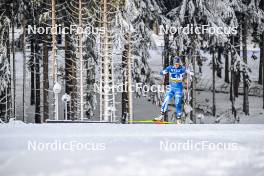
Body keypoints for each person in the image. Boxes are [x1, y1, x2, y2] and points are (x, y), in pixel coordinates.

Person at [154, 56, 193, 121]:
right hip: (171, 88)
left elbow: (187, 71)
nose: (176, 65)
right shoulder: (170, 68)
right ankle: (161, 115)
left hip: (178, 89)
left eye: (177, 64)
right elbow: (163, 72)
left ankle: (178, 118)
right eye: (175, 64)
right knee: (165, 100)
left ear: (179, 64)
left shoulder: (182, 68)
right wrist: (162, 72)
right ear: (173, 64)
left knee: (177, 103)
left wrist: (190, 73)